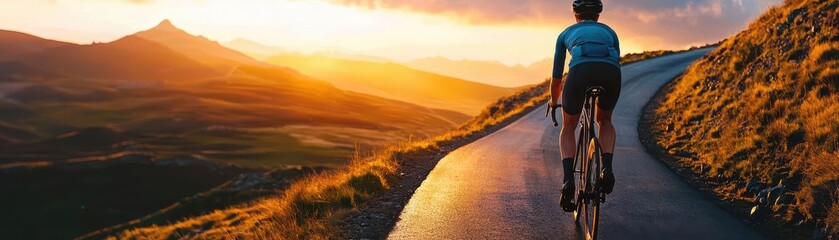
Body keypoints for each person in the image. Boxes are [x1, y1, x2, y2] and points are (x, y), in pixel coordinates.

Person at [547, 0, 622, 212]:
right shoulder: (610, 32)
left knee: (569, 125)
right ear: (598, 15)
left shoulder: (565, 34)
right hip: (610, 73)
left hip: (580, 72)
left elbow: (556, 78)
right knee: (605, 120)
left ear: (575, 15)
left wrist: (554, 102)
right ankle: (606, 168)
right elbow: (616, 61)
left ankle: (568, 181)